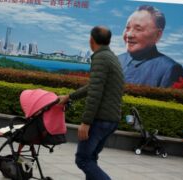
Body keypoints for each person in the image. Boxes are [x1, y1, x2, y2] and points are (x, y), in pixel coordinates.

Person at [58, 26, 124, 180]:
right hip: (111, 120)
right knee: (91, 159)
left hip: (100, 121)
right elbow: (93, 86)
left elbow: (95, 93)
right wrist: (70, 96)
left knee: (83, 159)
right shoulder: (111, 57)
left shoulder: (100, 58)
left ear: (91, 40)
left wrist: (86, 122)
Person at [118, 5, 183, 88]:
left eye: (138, 29)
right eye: (127, 28)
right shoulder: (117, 60)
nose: (129, 34)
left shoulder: (169, 69)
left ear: (157, 35)